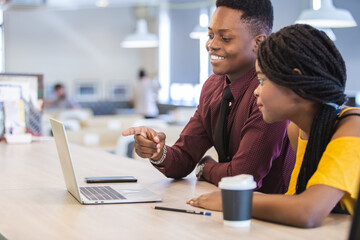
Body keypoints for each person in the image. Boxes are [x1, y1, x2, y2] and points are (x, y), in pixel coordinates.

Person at [187, 24, 360, 228]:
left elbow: (308, 211)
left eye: (262, 81)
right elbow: (295, 197)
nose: (256, 91)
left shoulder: (353, 128)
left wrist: (233, 200)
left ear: (296, 81)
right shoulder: (298, 130)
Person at [122, 0, 295, 194]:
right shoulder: (213, 86)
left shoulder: (270, 93)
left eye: (225, 38)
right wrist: (157, 151)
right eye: (211, 35)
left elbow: (243, 177)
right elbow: (184, 157)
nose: (211, 45)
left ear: (258, 42)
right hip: (229, 209)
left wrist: (206, 167)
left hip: (273, 215)